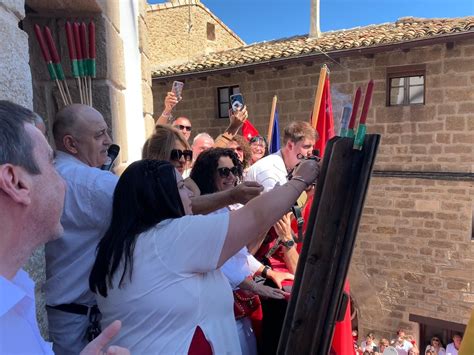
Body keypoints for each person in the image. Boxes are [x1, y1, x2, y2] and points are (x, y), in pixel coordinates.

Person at [89, 155, 319, 353]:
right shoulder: (170, 237)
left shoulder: (123, 243)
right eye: (180, 187)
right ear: (159, 196)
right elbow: (254, 217)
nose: (190, 194)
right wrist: (300, 180)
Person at [0, 100, 128, 355]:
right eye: (51, 163)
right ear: (15, 182)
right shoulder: (90, 181)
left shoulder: (18, 289)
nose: (63, 179)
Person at [190, 148, 294, 354]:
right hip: (217, 307)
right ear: (207, 174)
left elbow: (240, 254)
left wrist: (268, 272)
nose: (231, 177)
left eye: (233, 170)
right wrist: (255, 287)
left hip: (235, 305)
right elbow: (218, 261)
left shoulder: (225, 209)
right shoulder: (203, 215)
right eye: (223, 172)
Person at [44, 104, 119, 354]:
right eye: (99, 135)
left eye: (106, 132)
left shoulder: (56, 173)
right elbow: (158, 204)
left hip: (69, 315)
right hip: (76, 319)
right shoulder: (90, 182)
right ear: (71, 143)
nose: (108, 141)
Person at [143, 125, 263, 215]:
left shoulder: (188, 185)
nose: (183, 160)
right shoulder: (148, 188)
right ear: (157, 156)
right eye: (176, 154)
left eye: (187, 154)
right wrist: (232, 196)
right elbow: (182, 208)